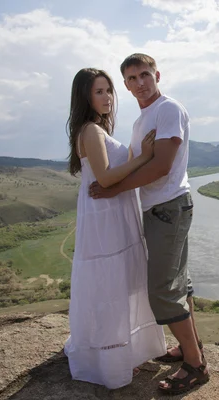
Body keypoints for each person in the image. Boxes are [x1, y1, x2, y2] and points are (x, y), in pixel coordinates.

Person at [88, 53, 209, 394]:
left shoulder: (167, 109)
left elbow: (161, 167)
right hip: (164, 208)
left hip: (168, 208)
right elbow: (145, 161)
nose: (139, 83)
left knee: (162, 292)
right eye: (131, 78)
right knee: (179, 285)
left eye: (144, 75)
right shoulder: (144, 119)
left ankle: (196, 366)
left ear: (157, 75)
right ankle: (191, 348)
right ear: (125, 85)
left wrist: (114, 190)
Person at [63, 67, 166, 390]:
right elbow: (106, 178)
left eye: (109, 90)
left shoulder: (95, 129)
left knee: (117, 284)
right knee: (111, 286)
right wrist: (144, 156)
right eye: (98, 91)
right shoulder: (91, 131)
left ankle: (123, 352)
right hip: (107, 216)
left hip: (111, 213)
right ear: (85, 96)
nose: (107, 97)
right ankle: (112, 361)